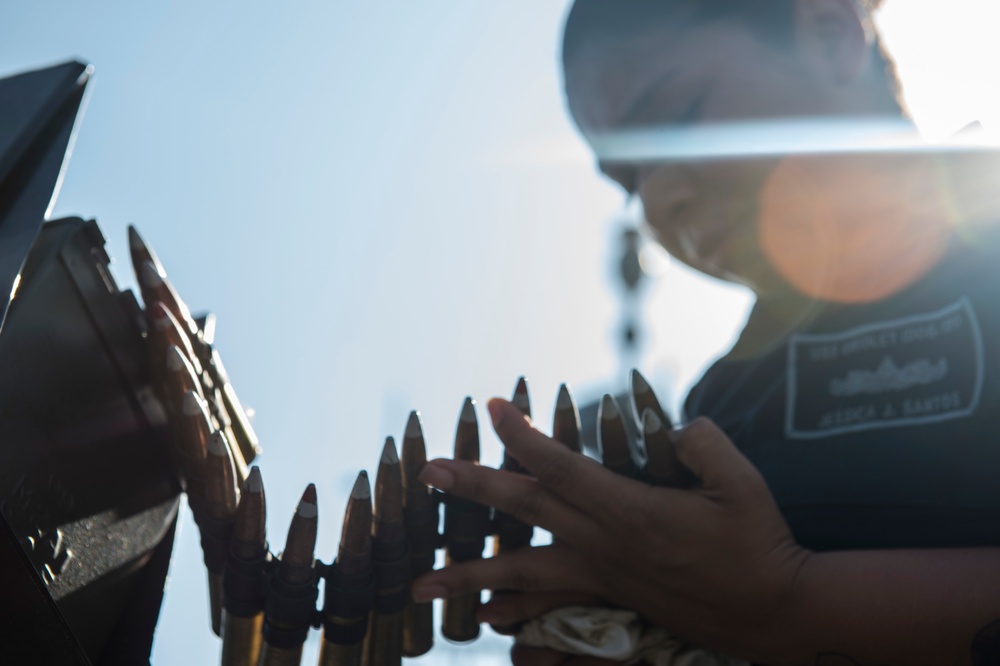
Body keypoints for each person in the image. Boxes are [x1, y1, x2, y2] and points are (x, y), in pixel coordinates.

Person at [413, 1, 1000, 665]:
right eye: (628, 180)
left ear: (831, 37)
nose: (660, 201)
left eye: (680, 116)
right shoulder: (724, 401)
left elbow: (765, 609)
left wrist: (792, 604)